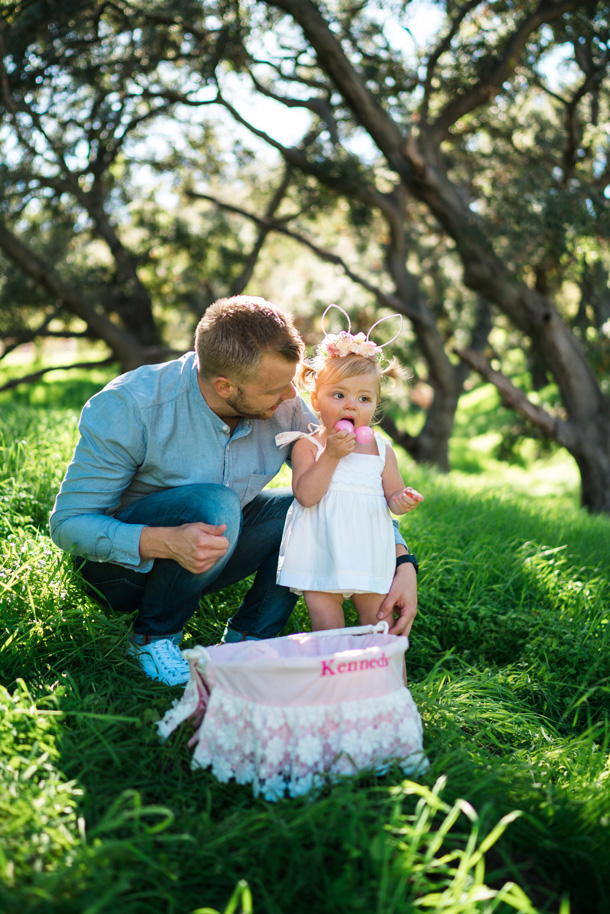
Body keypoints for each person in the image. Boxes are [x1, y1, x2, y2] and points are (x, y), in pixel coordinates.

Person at [49, 296, 420, 687]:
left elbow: (348, 484)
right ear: (226, 386)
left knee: (297, 509)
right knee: (216, 504)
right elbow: (68, 525)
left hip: (210, 552)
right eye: (277, 389)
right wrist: (163, 541)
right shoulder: (131, 405)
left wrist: (401, 562)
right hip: (121, 574)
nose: (291, 397)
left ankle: (249, 641)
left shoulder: (283, 401)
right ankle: (152, 637)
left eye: (290, 383)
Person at [276, 305, 424, 632]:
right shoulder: (309, 446)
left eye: (363, 399)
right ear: (315, 401)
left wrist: (403, 499)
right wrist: (330, 456)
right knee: (329, 631)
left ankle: (387, 682)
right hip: (320, 554)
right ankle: (338, 682)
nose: (350, 405)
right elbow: (306, 497)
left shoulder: (382, 450)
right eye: (339, 394)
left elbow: (392, 495)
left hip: (370, 555)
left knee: (379, 625)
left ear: (374, 404)